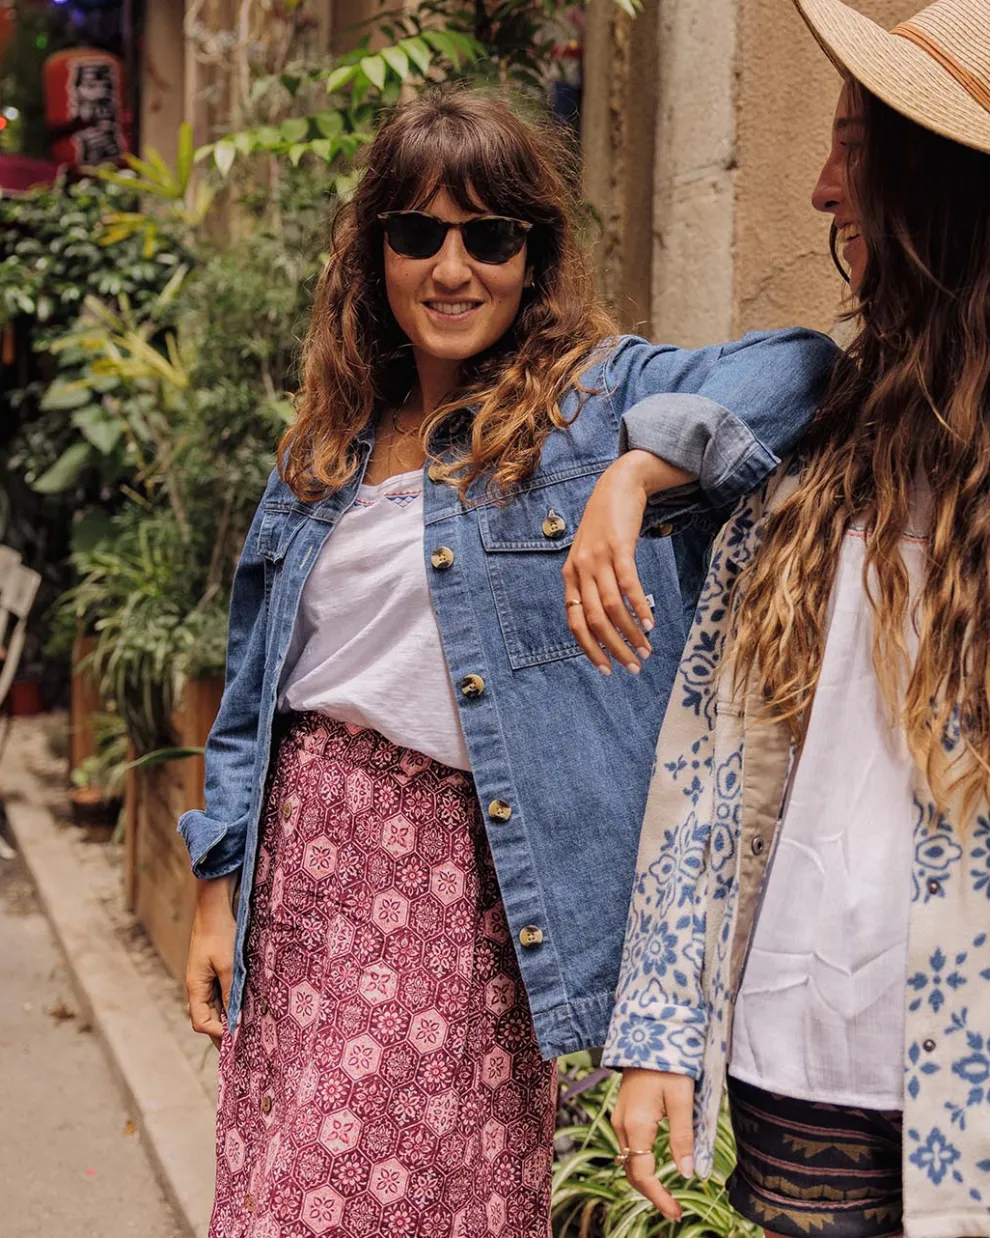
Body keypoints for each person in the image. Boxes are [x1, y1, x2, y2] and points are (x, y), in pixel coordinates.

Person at [179, 87, 835, 1238]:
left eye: (489, 236)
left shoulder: (591, 404)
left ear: (532, 256)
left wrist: (635, 473)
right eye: (417, 233)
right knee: (276, 1188)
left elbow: (804, 366)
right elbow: (253, 693)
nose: (452, 268)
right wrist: (213, 881)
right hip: (300, 876)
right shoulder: (326, 446)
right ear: (376, 251)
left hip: (458, 892)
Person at [567, 2, 990, 1236]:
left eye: (853, 147)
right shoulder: (815, 434)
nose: (819, 187)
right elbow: (710, 753)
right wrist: (659, 1028)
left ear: (936, 184)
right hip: (805, 1052)